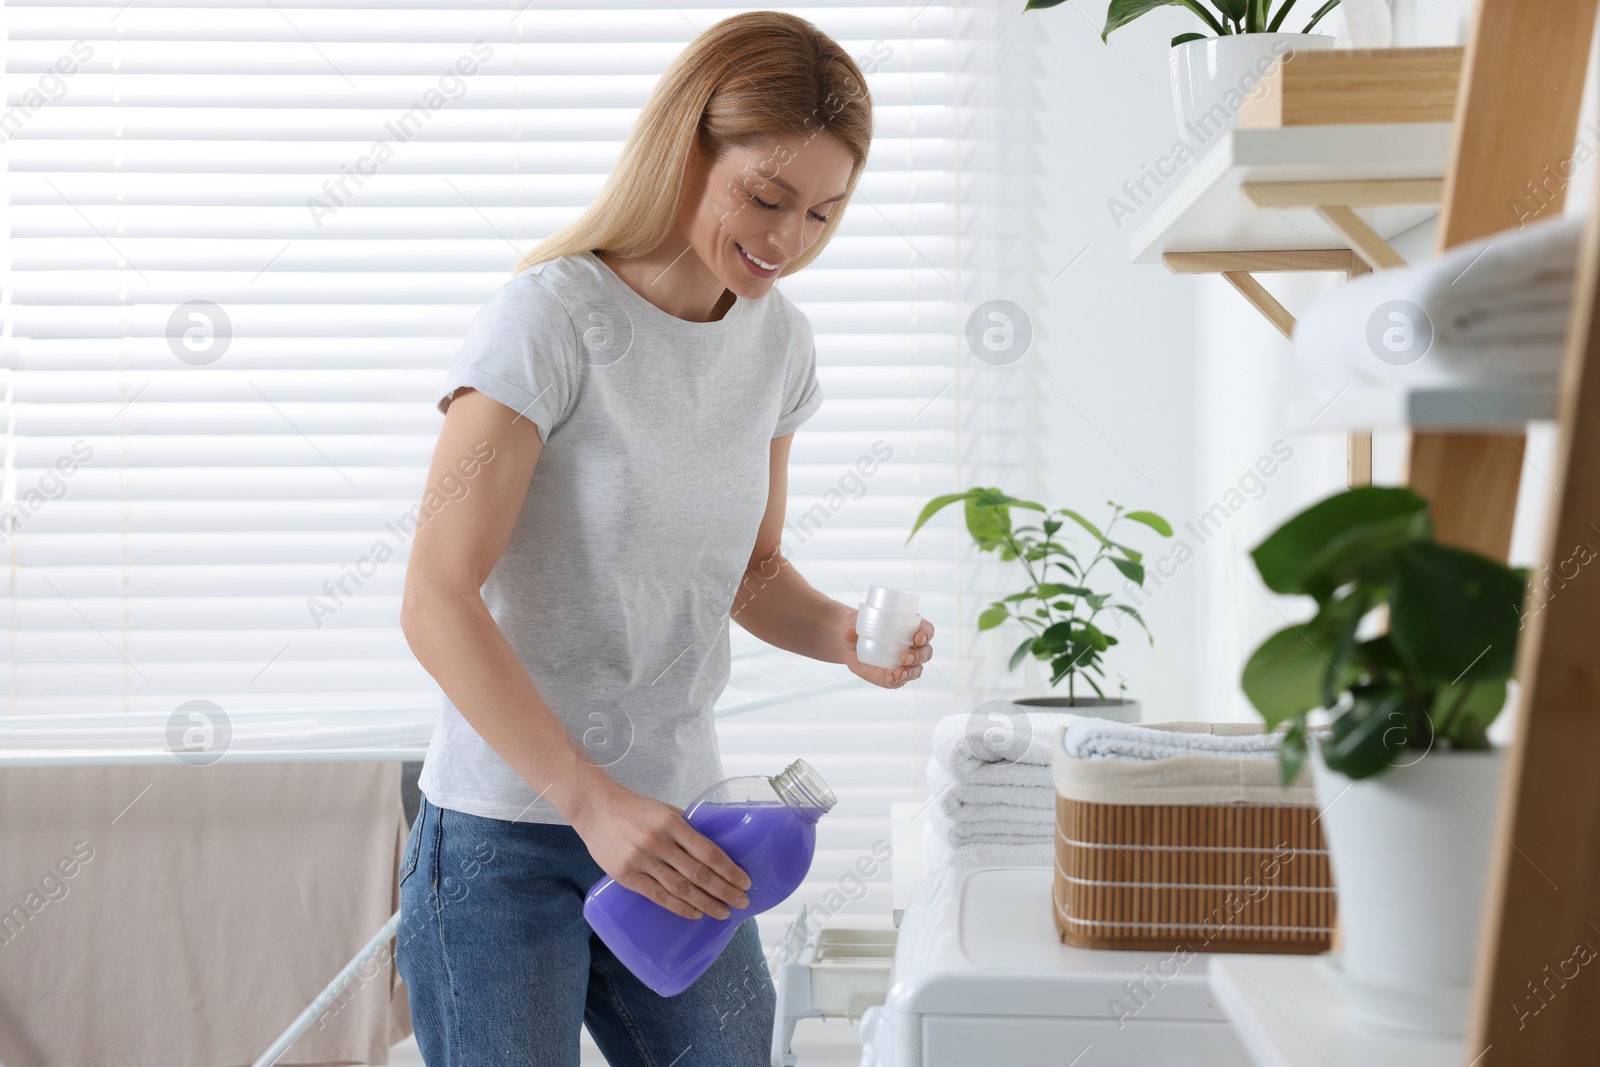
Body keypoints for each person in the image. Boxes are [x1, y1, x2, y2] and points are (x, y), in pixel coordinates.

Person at [396, 11, 935, 1065]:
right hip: (506, 837)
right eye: (766, 198)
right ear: (684, 148)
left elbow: (751, 572)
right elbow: (434, 596)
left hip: (684, 827)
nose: (788, 243)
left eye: (823, 213)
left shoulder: (778, 343)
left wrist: (841, 634)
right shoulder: (545, 322)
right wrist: (589, 800)